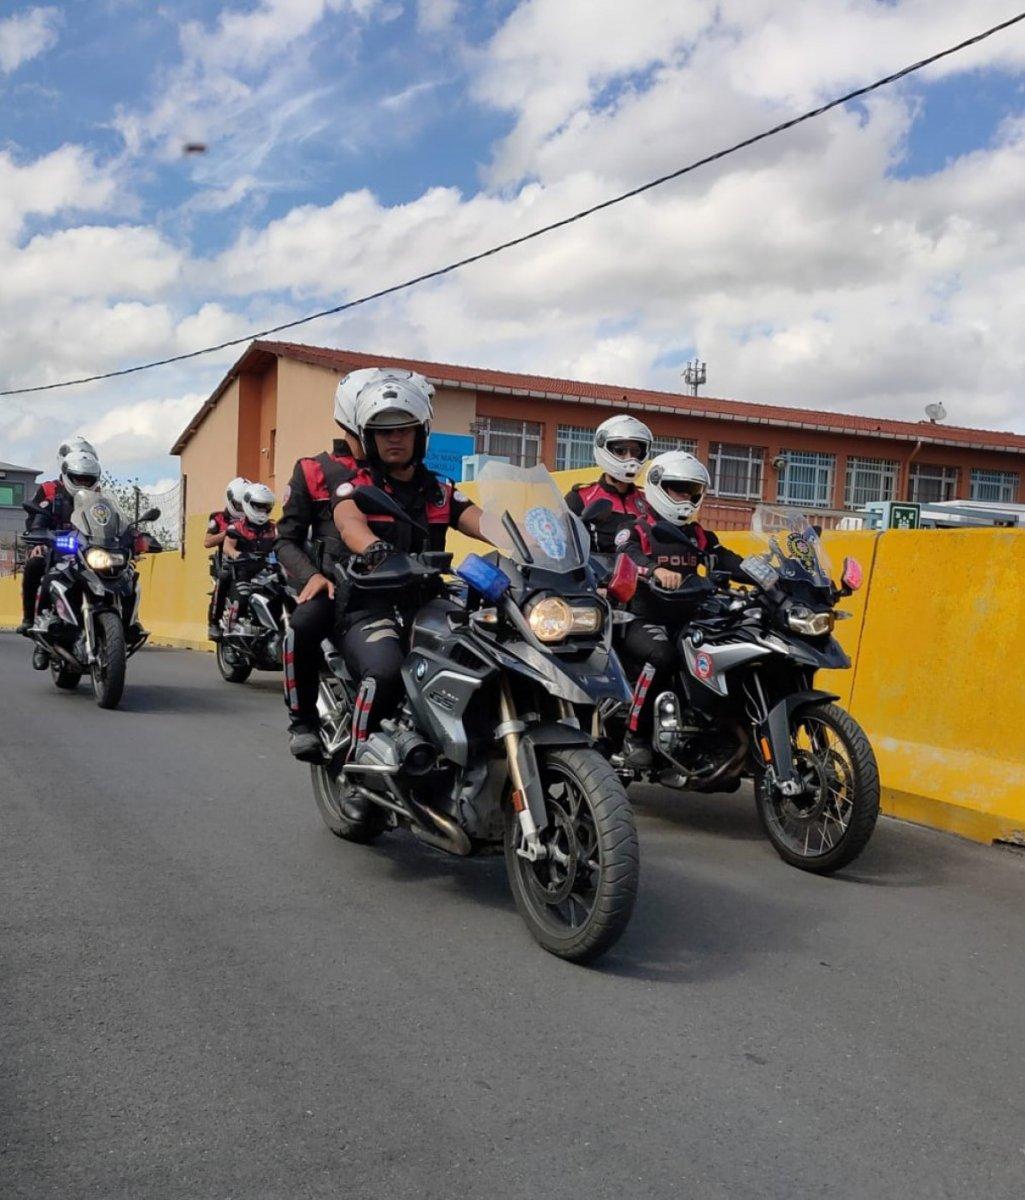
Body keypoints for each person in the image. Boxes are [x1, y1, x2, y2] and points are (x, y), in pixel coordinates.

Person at [330, 372, 485, 808]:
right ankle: (357, 766)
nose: (394, 440)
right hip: (369, 603)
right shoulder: (357, 487)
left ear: (421, 434)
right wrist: (375, 549)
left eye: (403, 430)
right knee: (385, 669)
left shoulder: (439, 489)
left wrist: (524, 540)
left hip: (428, 602)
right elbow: (348, 521)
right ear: (369, 438)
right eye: (383, 432)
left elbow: (478, 519)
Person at [277, 366, 427, 760]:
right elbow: (287, 539)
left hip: (393, 583)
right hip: (335, 582)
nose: (395, 433)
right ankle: (302, 720)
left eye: (404, 426)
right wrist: (311, 576)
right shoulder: (316, 470)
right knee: (305, 621)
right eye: (382, 424)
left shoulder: (402, 475)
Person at [615, 450, 746, 769]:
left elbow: (729, 559)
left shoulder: (699, 535)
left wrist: (772, 575)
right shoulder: (638, 531)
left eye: (692, 490)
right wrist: (653, 570)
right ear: (658, 486)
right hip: (643, 617)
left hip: (692, 617)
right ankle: (635, 736)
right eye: (679, 488)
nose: (686, 496)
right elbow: (626, 555)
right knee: (663, 656)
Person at [19, 442, 102, 639]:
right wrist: (38, 541)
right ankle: (32, 618)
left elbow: (111, 519)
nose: (82, 483)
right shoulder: (49, 490)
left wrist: (130, 538)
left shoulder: (99, 496)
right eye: (78, 478)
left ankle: (127, 620)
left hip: (90, 548)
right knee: (35, 565)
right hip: (56, 546)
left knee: (124, 571)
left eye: (87, 479)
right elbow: (35, 518)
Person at [564, 415, 654, 553]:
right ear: (604, 449)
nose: (630, 458)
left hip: (641, 572)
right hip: (596, 573)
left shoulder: (648, 502)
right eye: (621, 451)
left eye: (635, 451)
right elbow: (563, 546)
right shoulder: (580, 498)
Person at [215, 483, 278, 629]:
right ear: (248, 504)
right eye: (258, 506)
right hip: (243, 573)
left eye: (266, 506)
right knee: (242, 599)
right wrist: (237, 555)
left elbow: (283, 547)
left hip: (268, 573)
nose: (262, 510)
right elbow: (227, 546)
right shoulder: (236, 528)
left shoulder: (274, 529)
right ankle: (228, 624)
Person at [206, 476, 249, 640]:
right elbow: (207, 542)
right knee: (223, 578)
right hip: (226, 563)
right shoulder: (217, 518)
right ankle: (214, 622)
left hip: (250, 562)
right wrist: (229, 532)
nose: (242, 508)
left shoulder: (252, 518)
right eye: (238, 504)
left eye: (244, 505)